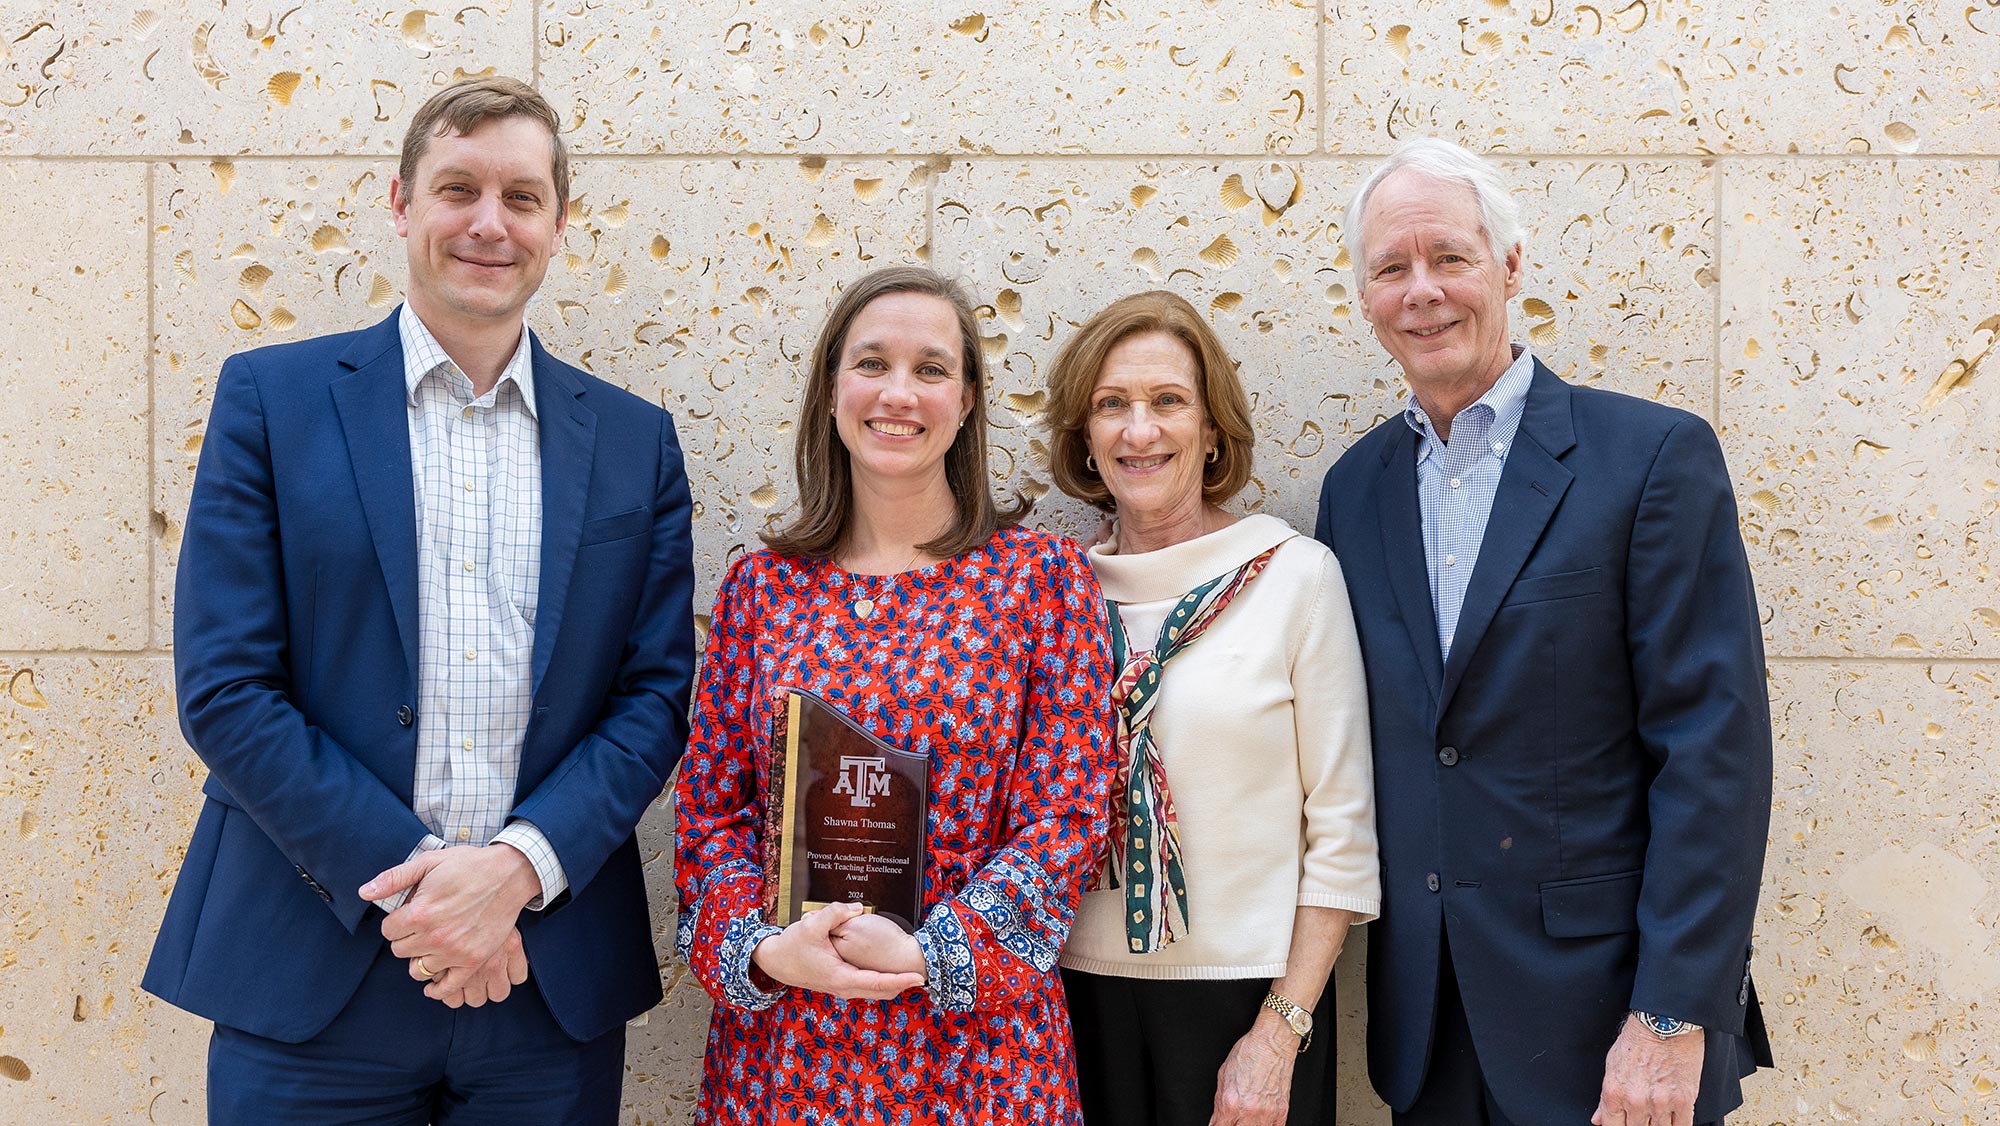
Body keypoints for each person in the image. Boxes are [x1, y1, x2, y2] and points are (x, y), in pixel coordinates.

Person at [143, 76, 696, 1123]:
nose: (489, 222)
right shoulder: (271, 401)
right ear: (400, 203)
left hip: (545, 979)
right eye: (458, 188)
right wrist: (432, 886)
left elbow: (654, 696)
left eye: (522, 197)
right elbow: (224, 687)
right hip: (312, 967)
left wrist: (514, 875)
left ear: (559, 225)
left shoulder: (633, 441)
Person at [1314, 136, 1773, 1126]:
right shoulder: (1352, 493)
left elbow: (1712, 754)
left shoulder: (1649, 460)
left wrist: (1670, 1011)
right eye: (1389, 268)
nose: (1420, 290)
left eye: (1448, 257)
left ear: (1509, 266)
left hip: (1609, 1027)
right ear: (1363, 295)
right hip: (1428, 1029)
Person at [672, 265, 1117, 1124]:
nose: (899, 394)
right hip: (786, 1057)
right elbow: (708, 816)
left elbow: (1066, 819)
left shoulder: (1041, 582)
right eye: (872, 363)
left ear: (969, 399)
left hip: (980, 1057)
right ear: (832, 388)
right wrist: (768, 949)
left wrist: (928, 951)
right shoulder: (760, 592)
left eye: (932, 368)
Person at [1043, 290, 1380, 1126]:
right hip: (1073, 1003)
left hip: (1251, 1009)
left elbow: (1342, 830)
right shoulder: (1056, 595)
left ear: (1213, 427)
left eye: (1167, 402)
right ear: (1085, 437)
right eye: (1111, 405)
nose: (1139, 429)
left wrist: (1281, 1032)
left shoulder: (1296, 577)